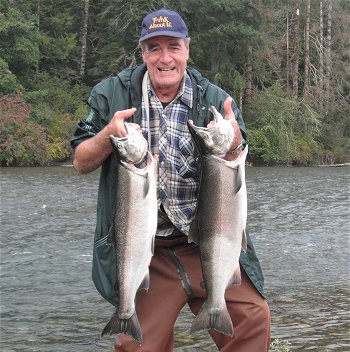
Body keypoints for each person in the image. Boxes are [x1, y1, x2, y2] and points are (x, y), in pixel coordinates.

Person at [71, 8, 271, 352]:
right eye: (155, 48)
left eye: (173, 47)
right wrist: (108, 135)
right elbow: (80, 161)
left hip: (207, 242)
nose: (165, 58)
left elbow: (239, 150)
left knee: (253, 318)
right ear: (143, 52)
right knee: (137, 345)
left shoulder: (214, 99)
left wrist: (234, 142)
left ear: (188, 49)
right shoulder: (110, 94)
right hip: (147, 253)